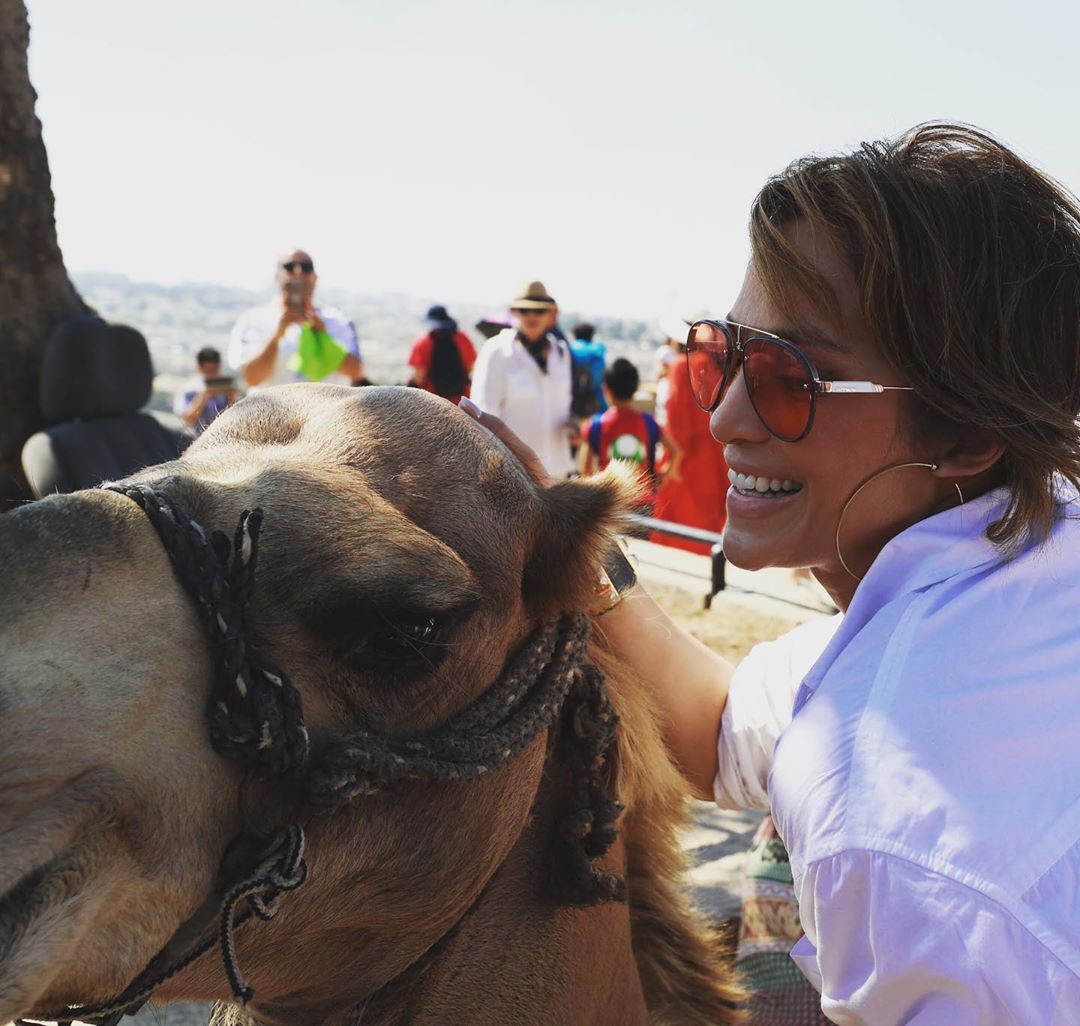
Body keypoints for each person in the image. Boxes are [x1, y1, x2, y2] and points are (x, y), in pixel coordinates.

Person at [462, 123, 1080, 1024]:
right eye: (723, 357)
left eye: (792, 378)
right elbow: (722, 731)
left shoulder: (886, 826)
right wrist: (575, 542)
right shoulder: (1026, 549)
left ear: (966, 435)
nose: (724, 419)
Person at [470, 280, 577, 478]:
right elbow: (482, 414)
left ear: (550, 314)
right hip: (514, 474)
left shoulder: (561, 353)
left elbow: (563, 406)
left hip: (557, 472)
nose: (531, 316)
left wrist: (573, 425)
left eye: (539, 311)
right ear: (515, 312)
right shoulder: (497, 351)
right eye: (524, 310)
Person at [228, 249, 363, 388]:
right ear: (277, 276)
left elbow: (356, 372)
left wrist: (324, 338)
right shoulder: (252, 321)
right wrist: (276, 337)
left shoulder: (339, 320)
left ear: (315, 277)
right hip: (273, 410)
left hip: (328, 409)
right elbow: (249, 379)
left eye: (306, 267)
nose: (298, 272)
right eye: (289, 267)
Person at [650, 328, 729, 553]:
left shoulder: (681, 366)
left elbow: (678, 427)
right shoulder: (723, 368)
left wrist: (669, 466)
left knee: (676, 539)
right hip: (716, 461)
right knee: (705, 536)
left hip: (686, 465)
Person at [581, 358, 681, 511]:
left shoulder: (596, 425)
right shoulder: (648, 422)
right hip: (643, 501)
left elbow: (586, 471)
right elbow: (676, 452)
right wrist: (662, 476)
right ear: (635, 389)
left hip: (611, 502)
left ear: (606, 390)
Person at [407, 305, 477, 405]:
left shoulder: (423, 342)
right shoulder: (463, 338)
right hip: (462, 402)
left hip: (432, 403)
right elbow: (470, 366)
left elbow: (419, 375)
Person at [173, 346, 238, 434]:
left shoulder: (225, 388)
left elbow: (235, 417)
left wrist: (233, 399)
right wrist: (203, 396)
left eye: (214, 370)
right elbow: (188, 419)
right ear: (199, 367)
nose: (211, 374)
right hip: (194, 438)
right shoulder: (189, 389)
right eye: (208, 370)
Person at [569, 321, 608, 416]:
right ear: (592, 336)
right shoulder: (597, 351)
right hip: (596, 401)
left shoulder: (567, 350)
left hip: (571, 400)